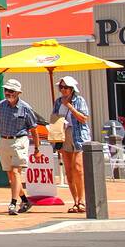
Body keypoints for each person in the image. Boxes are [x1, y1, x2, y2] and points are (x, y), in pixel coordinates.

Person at [0, 78, 40, 215]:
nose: (7, 93)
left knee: (16, 172)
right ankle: (25, 200)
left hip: (19, 141)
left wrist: (37, 148)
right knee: (11, 176)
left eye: (11, 91)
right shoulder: (1, 105)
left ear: (18, 93)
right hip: (4, 141)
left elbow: (34, 129)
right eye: (6, 90)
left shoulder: (26, 108)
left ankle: (13, 203)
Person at [53, 75, 90, 213]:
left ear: (72, 89)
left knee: (78, 168)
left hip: (78, 135)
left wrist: (70, 107)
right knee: (68, 170)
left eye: (66, 87)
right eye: (61, 87)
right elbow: (55, 118)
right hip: (64, 135)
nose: (63, 90)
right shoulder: (57, 102)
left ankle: (82, 200)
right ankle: (75, 201)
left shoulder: (79, 100)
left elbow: (84, 118)